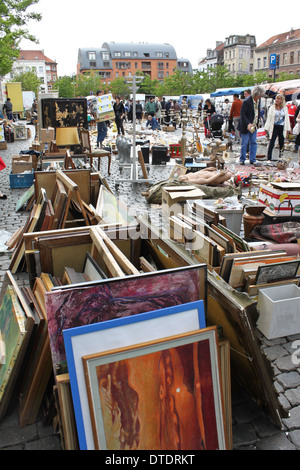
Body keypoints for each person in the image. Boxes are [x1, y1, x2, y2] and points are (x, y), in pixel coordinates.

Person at [238, 85, 265, 165]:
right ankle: (242, 159)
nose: (260, 97)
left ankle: (252, 159)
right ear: (256, 94)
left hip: (254, 124)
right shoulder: (246, 101)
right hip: (246, 125)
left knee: (253, 142)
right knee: (245, 142)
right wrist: (248, 123)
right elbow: (242, 114)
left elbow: (257, 112)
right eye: (260, 95)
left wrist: (258, 122)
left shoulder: (258, 101)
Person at [264, 94, 291, 161]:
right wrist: (266, 128)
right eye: (276, 98)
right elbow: (269, 118)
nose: (276, 100)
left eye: (278, 99)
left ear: (281, 100)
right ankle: (269, 158)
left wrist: (288, 129)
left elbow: (287, 119)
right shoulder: (272, 108)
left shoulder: (285, 108)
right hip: (274, 126)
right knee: (272, 142)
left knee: (281, 143)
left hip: (282, 126)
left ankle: (281, 157)